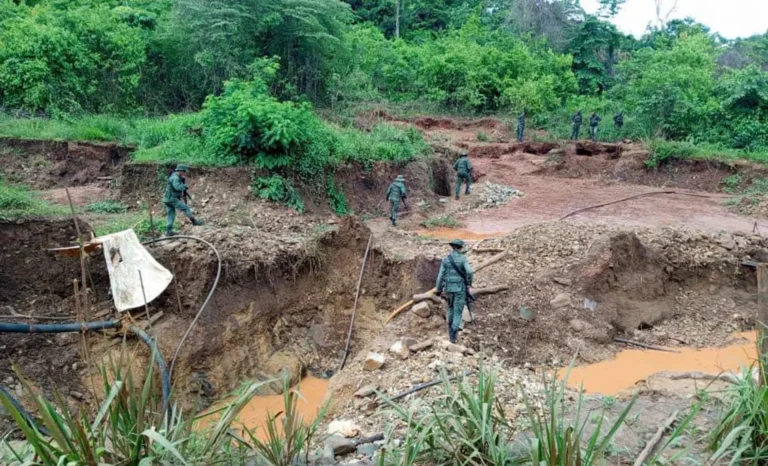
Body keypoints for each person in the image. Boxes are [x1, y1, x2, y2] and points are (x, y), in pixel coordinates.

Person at [436, 239, 474, 344]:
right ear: (460, 248)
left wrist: (438, 289)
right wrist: (469, 283)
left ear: (452, 247)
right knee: (458, 312)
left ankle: (450, 331)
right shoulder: (463, 259)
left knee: (451, 309)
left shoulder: (446, 259)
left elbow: (440, 276)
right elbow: (470, 272)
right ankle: (453, 336)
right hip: (459, 289)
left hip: (448, 289)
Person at [163, 164, 203, 236]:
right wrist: (185, 186)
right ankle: (194, 222)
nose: (185, 173)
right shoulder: (175, 178)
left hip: (167, 198)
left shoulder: (174, 176)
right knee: (186, 208)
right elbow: (177, 187)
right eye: (184, 171)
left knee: (171, 214)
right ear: (181, 171)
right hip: (172, 198)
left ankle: (169, 230)